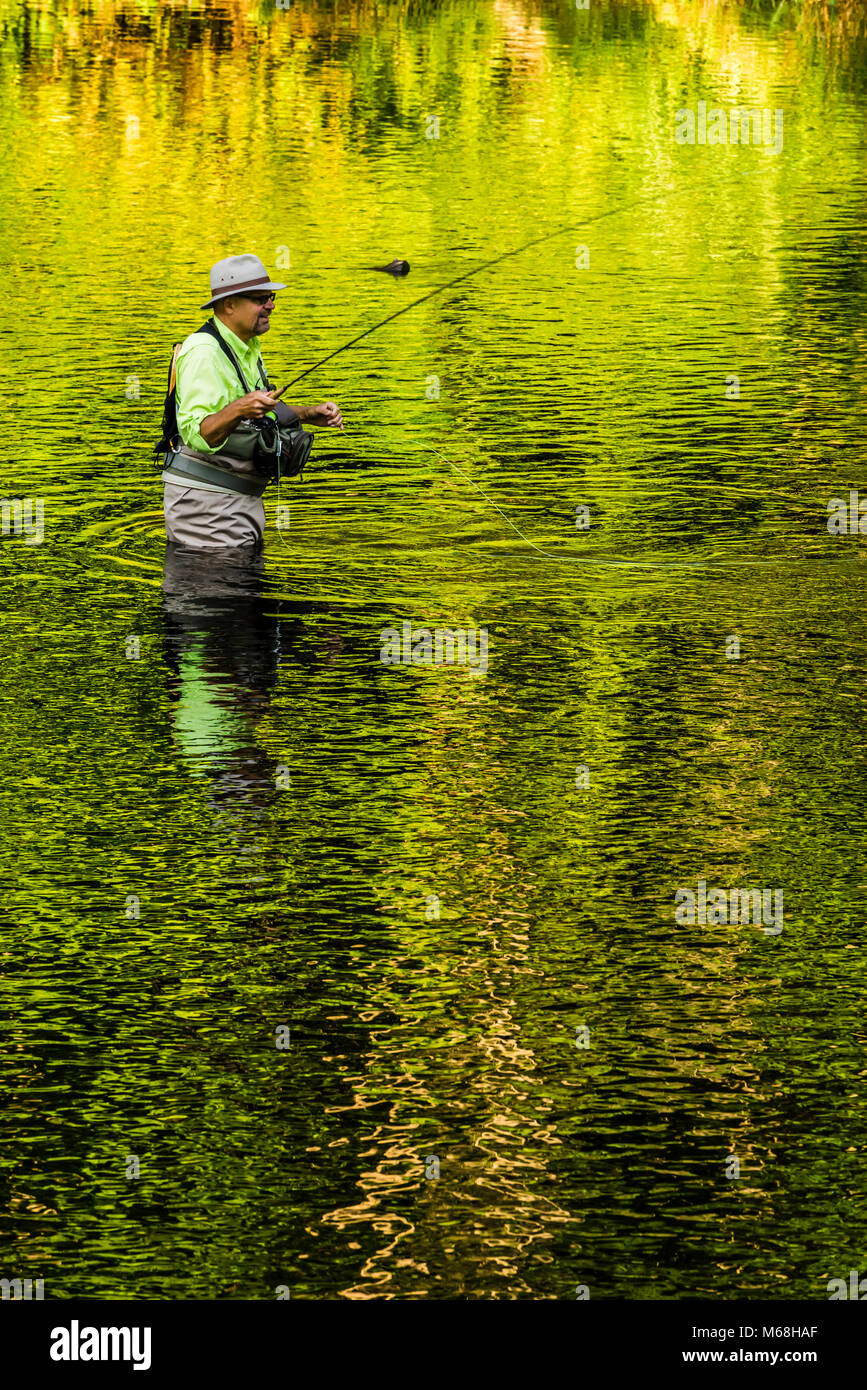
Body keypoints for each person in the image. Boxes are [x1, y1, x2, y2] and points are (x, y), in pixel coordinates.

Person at [161, 253, 343, 549]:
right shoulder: (204, 353)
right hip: (206, 507)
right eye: (261, 298)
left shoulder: (246, 345)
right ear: (229, 304)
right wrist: (240, 407)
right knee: (222, 592)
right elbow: (198, 433)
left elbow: (254, 415)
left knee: (246, 591)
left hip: (237, 502)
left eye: (271, 297)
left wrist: (308, 414)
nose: (270, 305)